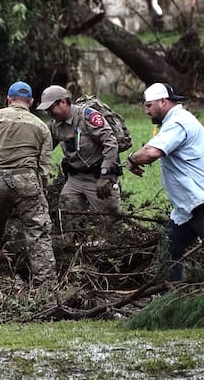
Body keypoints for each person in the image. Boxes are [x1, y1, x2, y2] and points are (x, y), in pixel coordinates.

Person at [0, 81, 57, 286]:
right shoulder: (41, 127)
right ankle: (46, 286)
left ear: (8, 99)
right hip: (27, 181)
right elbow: (44, 168)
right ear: (30, 102)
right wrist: (39, 190)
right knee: (37, 232)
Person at [127, 83, 204, 281]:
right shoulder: (174, 121)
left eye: (149, 105)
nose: (146, 111)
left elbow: (151, 152)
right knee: (168, 251)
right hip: (186, 207)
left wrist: (132, 158)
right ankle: (170, 301)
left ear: (163, 101)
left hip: (200, 201)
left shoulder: (179, 122)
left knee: (169, 252)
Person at [36, 85, 121, 224]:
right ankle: (70, 244)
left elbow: (110, 143)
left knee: (111, 223)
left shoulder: (87, 117)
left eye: (51, 108)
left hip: (98, 178)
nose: (49, 113)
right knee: (66, 217)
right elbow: (44, 148)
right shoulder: (54, 126)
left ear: (63, 102)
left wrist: (105, 175)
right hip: (75, 179)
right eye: (47, 110)